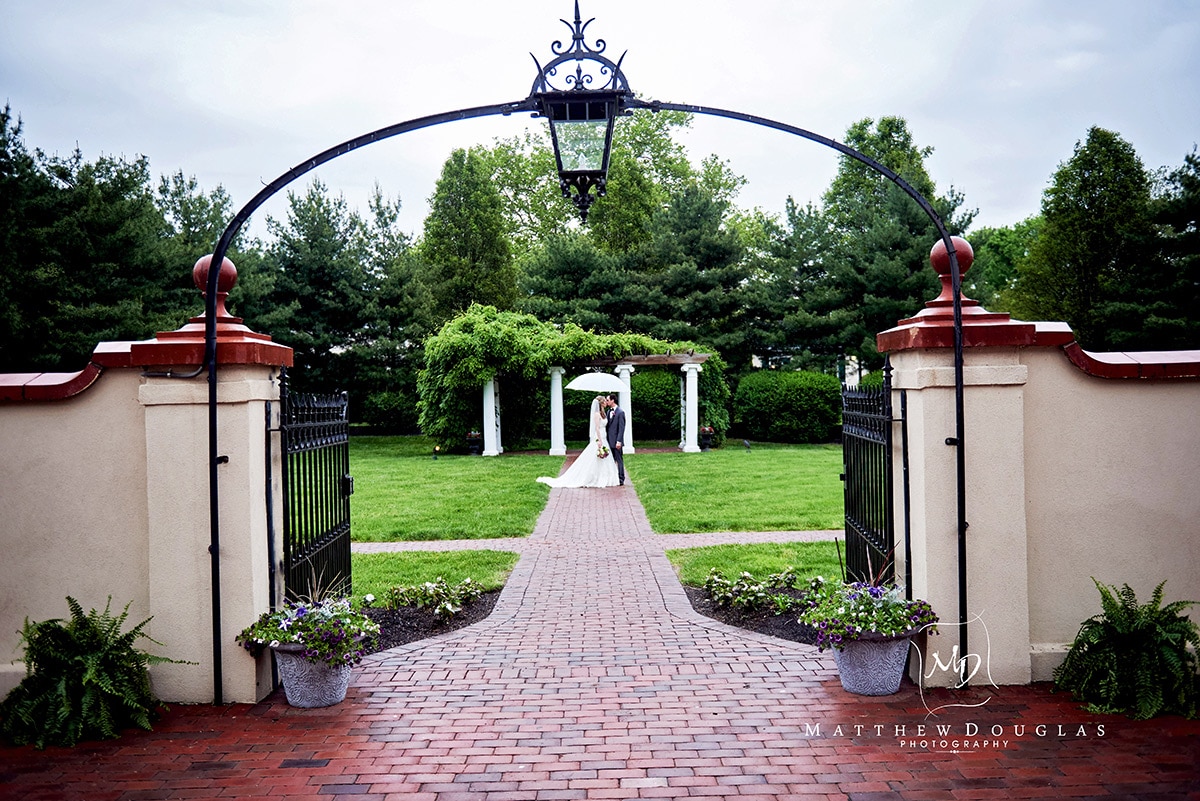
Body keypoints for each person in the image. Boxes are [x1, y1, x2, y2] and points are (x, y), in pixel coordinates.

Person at [536, 396, 621, 488]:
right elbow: (596, 428)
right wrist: (599, 440)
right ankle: (593, 478)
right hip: (600, 438)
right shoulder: (596, 414)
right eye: (604, 401)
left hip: (605, 438)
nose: (606, 402)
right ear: (600, 403)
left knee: (605, 459)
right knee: (595, 458)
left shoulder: (604, 413)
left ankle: (605, 477)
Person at [605, 393, 626, 486]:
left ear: (613, 400)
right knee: (610, 460)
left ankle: (621, 478)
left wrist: (619, 441)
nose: (606, 402)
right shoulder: (608, 412)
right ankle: (612, 477)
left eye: (608, 400)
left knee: (619, 460)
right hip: (609, 440)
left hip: (616, 441)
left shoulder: (620, 412)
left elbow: (621, 428)